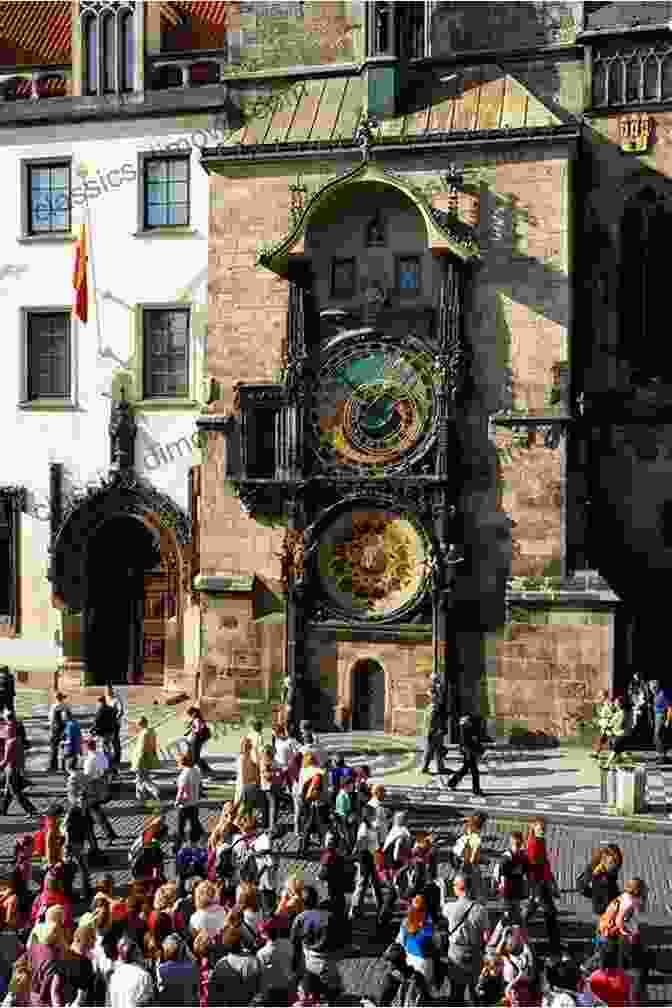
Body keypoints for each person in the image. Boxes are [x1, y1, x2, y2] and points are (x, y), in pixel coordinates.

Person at [440, 871, 490, 1006]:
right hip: (475, 953)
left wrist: (442, 891)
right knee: (477, 991)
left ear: (457, 888)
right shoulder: (481, 909)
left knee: (456, 992)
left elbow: (441, 909)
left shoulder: (449, 908)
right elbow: (486, 937)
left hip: (456, 954)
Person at [290, 885, 342, 1001]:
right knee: (333, 996)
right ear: (317, 900)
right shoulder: (330, 917)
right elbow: (339, 942)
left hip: (307, 962)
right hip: (327, 963)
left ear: (303, 903)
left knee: (311, 998)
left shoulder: (299, 919)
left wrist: (295, 968)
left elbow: (294, 945)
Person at [523, 816, 560, 952]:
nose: (543, 831)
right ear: (534, 827)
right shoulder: (533, 844)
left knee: (532, 910)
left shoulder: (540, 840)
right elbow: (532, 868)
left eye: (545, 829)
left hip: (542, 882)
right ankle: (554, 945)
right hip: (538, 884)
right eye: (541, 828)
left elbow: (545, 863)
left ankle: (517, 928)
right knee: (550, 913)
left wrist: (552, 882)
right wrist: (536, 889)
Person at [350, 805, 384, 921]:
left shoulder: (370, 826)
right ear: (369, 815)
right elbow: (361, 846)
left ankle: (381, 907)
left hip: (371, 859)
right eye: (373, 814)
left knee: (375, 884)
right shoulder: (364, 828)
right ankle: (354, 910)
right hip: (366, 861)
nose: (375, 816)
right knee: (361, 885)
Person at [82, 736, 118, 844]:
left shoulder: (89, 760)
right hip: (103, 784)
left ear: (87, 748)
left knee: (94, 812)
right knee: (90, 812)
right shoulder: (101, 755)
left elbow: (87, 776)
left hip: (93, 788)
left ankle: (108, 834)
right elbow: (107, 769)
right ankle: (91, 833)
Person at [108, 930, 155, 1008]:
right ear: (136, 954)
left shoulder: (114, 976)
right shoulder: (144, 976)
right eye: (139, 952)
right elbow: (147, 1003)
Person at [0, 717, 37, 817]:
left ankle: (31, 810)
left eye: (8, 728)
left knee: (15, 793)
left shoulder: (11, 742)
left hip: (11, 769)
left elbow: (6, 760)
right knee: (8, 792)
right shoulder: (17, 740)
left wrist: (1, 766)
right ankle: (3, 809)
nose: (6, 730)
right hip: (14, 769)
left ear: (13, 730)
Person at [587, 939, 636, 1006]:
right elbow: (630, 1002)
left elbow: (589, 1001)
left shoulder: (593, 977)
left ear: (602, 958)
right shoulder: (626, 978)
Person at [156, 932, 200, 1005]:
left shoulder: (161, 969)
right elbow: (194, 959)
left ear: (166, 951)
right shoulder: (193, 966)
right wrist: (183, 946)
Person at [446, 713, 485, 796]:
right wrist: (472, 751)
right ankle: (476, 790)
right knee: (474, 771)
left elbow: (475, 741)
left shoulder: (471, 727)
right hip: (468, 752)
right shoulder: (465, 727)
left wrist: (480, 750)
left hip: (469, 751)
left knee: (464, 769)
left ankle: (451, 783)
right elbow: (466, 742)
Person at [175, 751, 204, 852]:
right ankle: (195, 841)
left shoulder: (184, 774)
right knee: (194, 823)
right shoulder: (196, 770)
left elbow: (182, 790)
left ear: (182, 763)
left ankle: (177, 846)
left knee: (180, 827)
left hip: (185, 804)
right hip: (194, 802)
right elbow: (200, 785)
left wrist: (177, 801)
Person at [132, 717, 161, 803]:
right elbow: (154, 746)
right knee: (143, 778)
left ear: (141, 724)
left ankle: (151, 793)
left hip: (141, 760)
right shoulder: (152, 731)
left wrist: (137, 762)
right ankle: (142, 797)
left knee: (141, 779)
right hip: (149, 758)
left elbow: (142, 748)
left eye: (138, 724)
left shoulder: (144, 733)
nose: (137, 726)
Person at [185, 707, 214, 779]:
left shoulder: (197, 719)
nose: (190, 716)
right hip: (197, 740)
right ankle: (206, 770)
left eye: (190, 714)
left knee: (195, 758)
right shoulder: (199, 719)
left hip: (196, 740)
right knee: (196, 757)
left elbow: (198, 730)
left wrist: (193, 729)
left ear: (194, 713)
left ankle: (205, 771)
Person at [47, 693, 71, 774]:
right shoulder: (66, 706)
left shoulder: (54, 706)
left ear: (56, 698)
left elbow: (51, 719)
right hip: (64, 728)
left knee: (54, 748)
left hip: (56, 729)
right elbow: (69, 717)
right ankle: (64, 766)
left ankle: (53, 766)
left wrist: (51, 729)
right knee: (64, 748)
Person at [651, 679, 672, 761]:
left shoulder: (662, 694)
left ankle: (662, 756)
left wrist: (668, 720)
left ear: (657, 686)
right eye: (651, 687)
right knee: (656, 736)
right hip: (657, 716)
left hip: (662, 716)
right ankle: (661, 754)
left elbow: (670, 708)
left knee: (658, 735)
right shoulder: (656, 694)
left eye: (653, 687)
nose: (652, 689)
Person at [105, 684, 124, 773]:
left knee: (115, 742)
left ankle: (117, 761)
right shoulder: (106, 698)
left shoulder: (116, 699)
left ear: (112, 690)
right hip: (107, 724)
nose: (107, 692)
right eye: (106, 691)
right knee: (107, 742)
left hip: (115, 724)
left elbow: (121, 711)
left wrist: (115, 719)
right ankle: (108, 761)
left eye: (109, 690)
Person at [421, 708, 446, 774]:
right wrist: (434, 732)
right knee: (430, 752)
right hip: (434, 734)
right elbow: (431, 722)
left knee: (438, 752)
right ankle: (425, 767)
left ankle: (440, 768)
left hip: (435, 733)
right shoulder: (433, 710)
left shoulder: (432, 709)